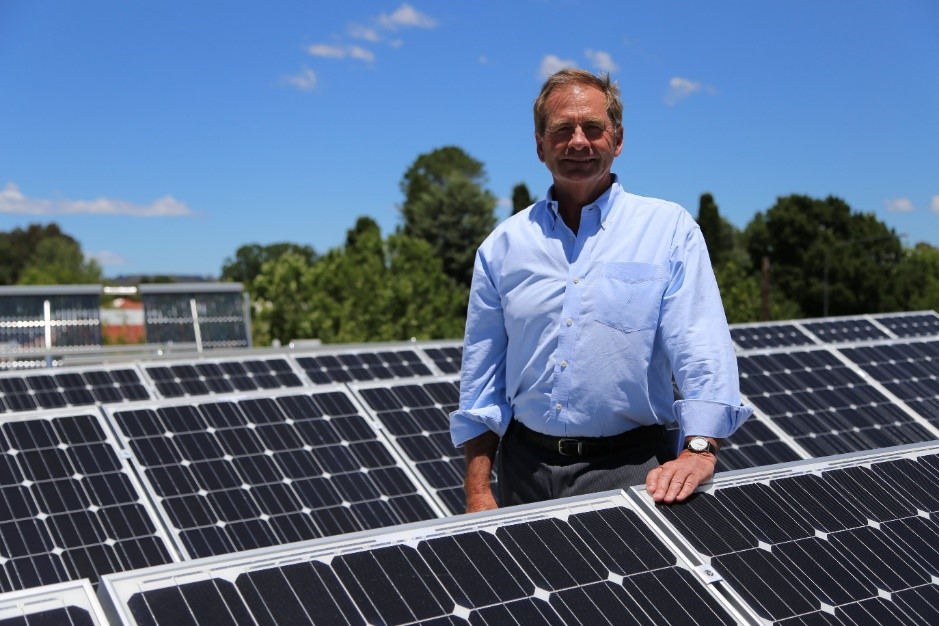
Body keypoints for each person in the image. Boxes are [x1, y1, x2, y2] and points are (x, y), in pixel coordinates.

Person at [449, 68, 752, 513]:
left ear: (618, 139)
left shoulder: (668, 230)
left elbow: (700, 346)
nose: (578, 142)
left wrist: (700, 449)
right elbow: (482, 379)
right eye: (562, 130)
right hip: (524, 471)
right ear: (539, 145)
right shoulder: (503, 246)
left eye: (593, 128)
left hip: (632, 468)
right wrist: (478, 490)